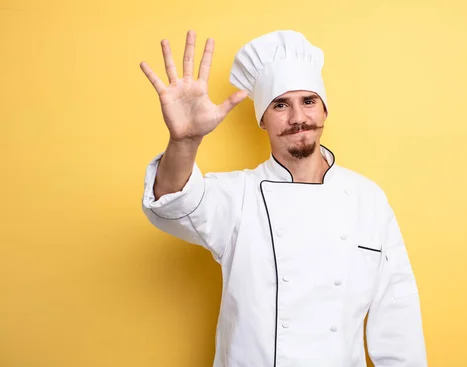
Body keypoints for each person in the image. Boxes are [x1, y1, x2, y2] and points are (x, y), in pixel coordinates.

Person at [139, 29, 428, 367]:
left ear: (324, 111)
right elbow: (173, 202)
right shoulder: (238, 196)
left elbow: (397, 313)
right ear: (262, 118)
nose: (298, 118)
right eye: (280, 105)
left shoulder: (368, 199)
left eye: (308, 101)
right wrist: (185, 142)